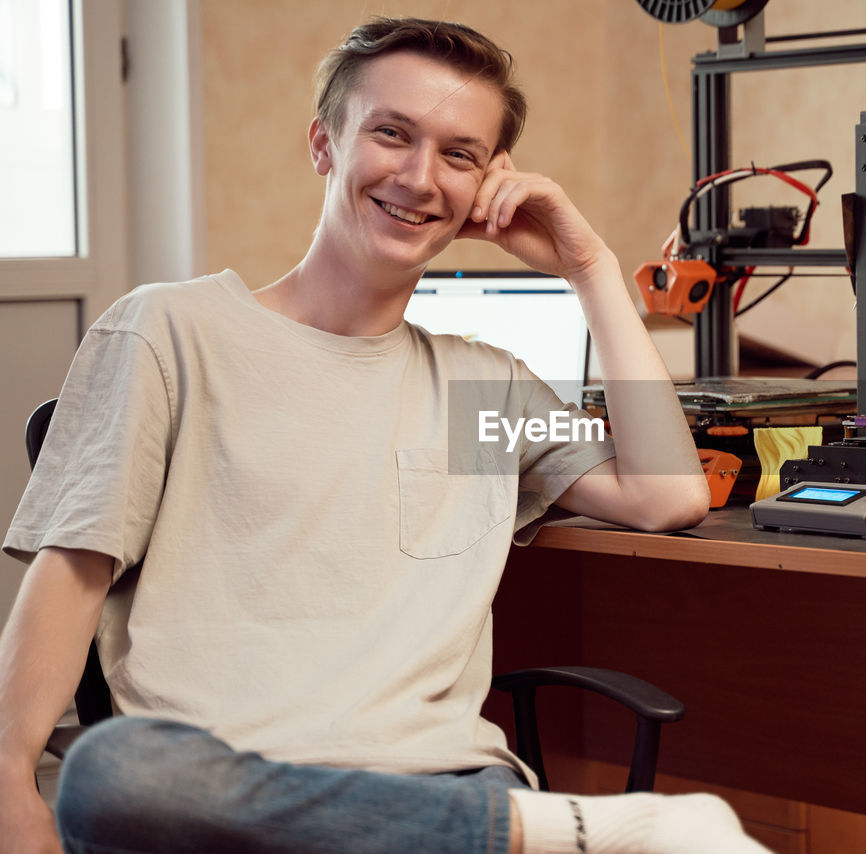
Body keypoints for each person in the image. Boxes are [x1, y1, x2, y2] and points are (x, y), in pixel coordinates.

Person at [0, 17, 768, 854]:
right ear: (325, 145)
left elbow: (669, 493)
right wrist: (9, 782)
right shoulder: (169, 334)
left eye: (459, 154)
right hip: (215, 792)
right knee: (112, 775)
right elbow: (71, 569)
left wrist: (590, 264)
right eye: (391, 134)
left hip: (435, 783)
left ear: (485, 186)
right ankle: (567, 834)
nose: (419, 176)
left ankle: (598, 830)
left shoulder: (483, 396)